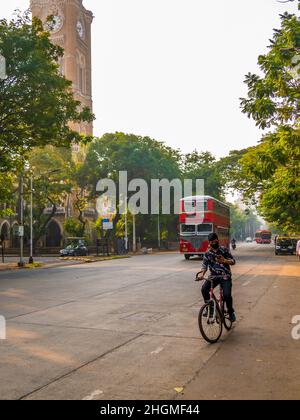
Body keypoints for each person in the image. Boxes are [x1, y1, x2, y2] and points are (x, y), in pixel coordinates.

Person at [196, 233, 237, 322]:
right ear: (209, 242)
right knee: (204, 289)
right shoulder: (207, 253)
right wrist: (202, 274)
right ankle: (210, 310)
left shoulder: (224, 250)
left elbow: (233, 261)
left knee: (226, 295)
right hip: (213, 276)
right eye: (212, 242)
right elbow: (204, 266)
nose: (214, 243)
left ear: (218, 240)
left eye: (215, 241)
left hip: (225, 275)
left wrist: (225, 261)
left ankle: (231, 312)